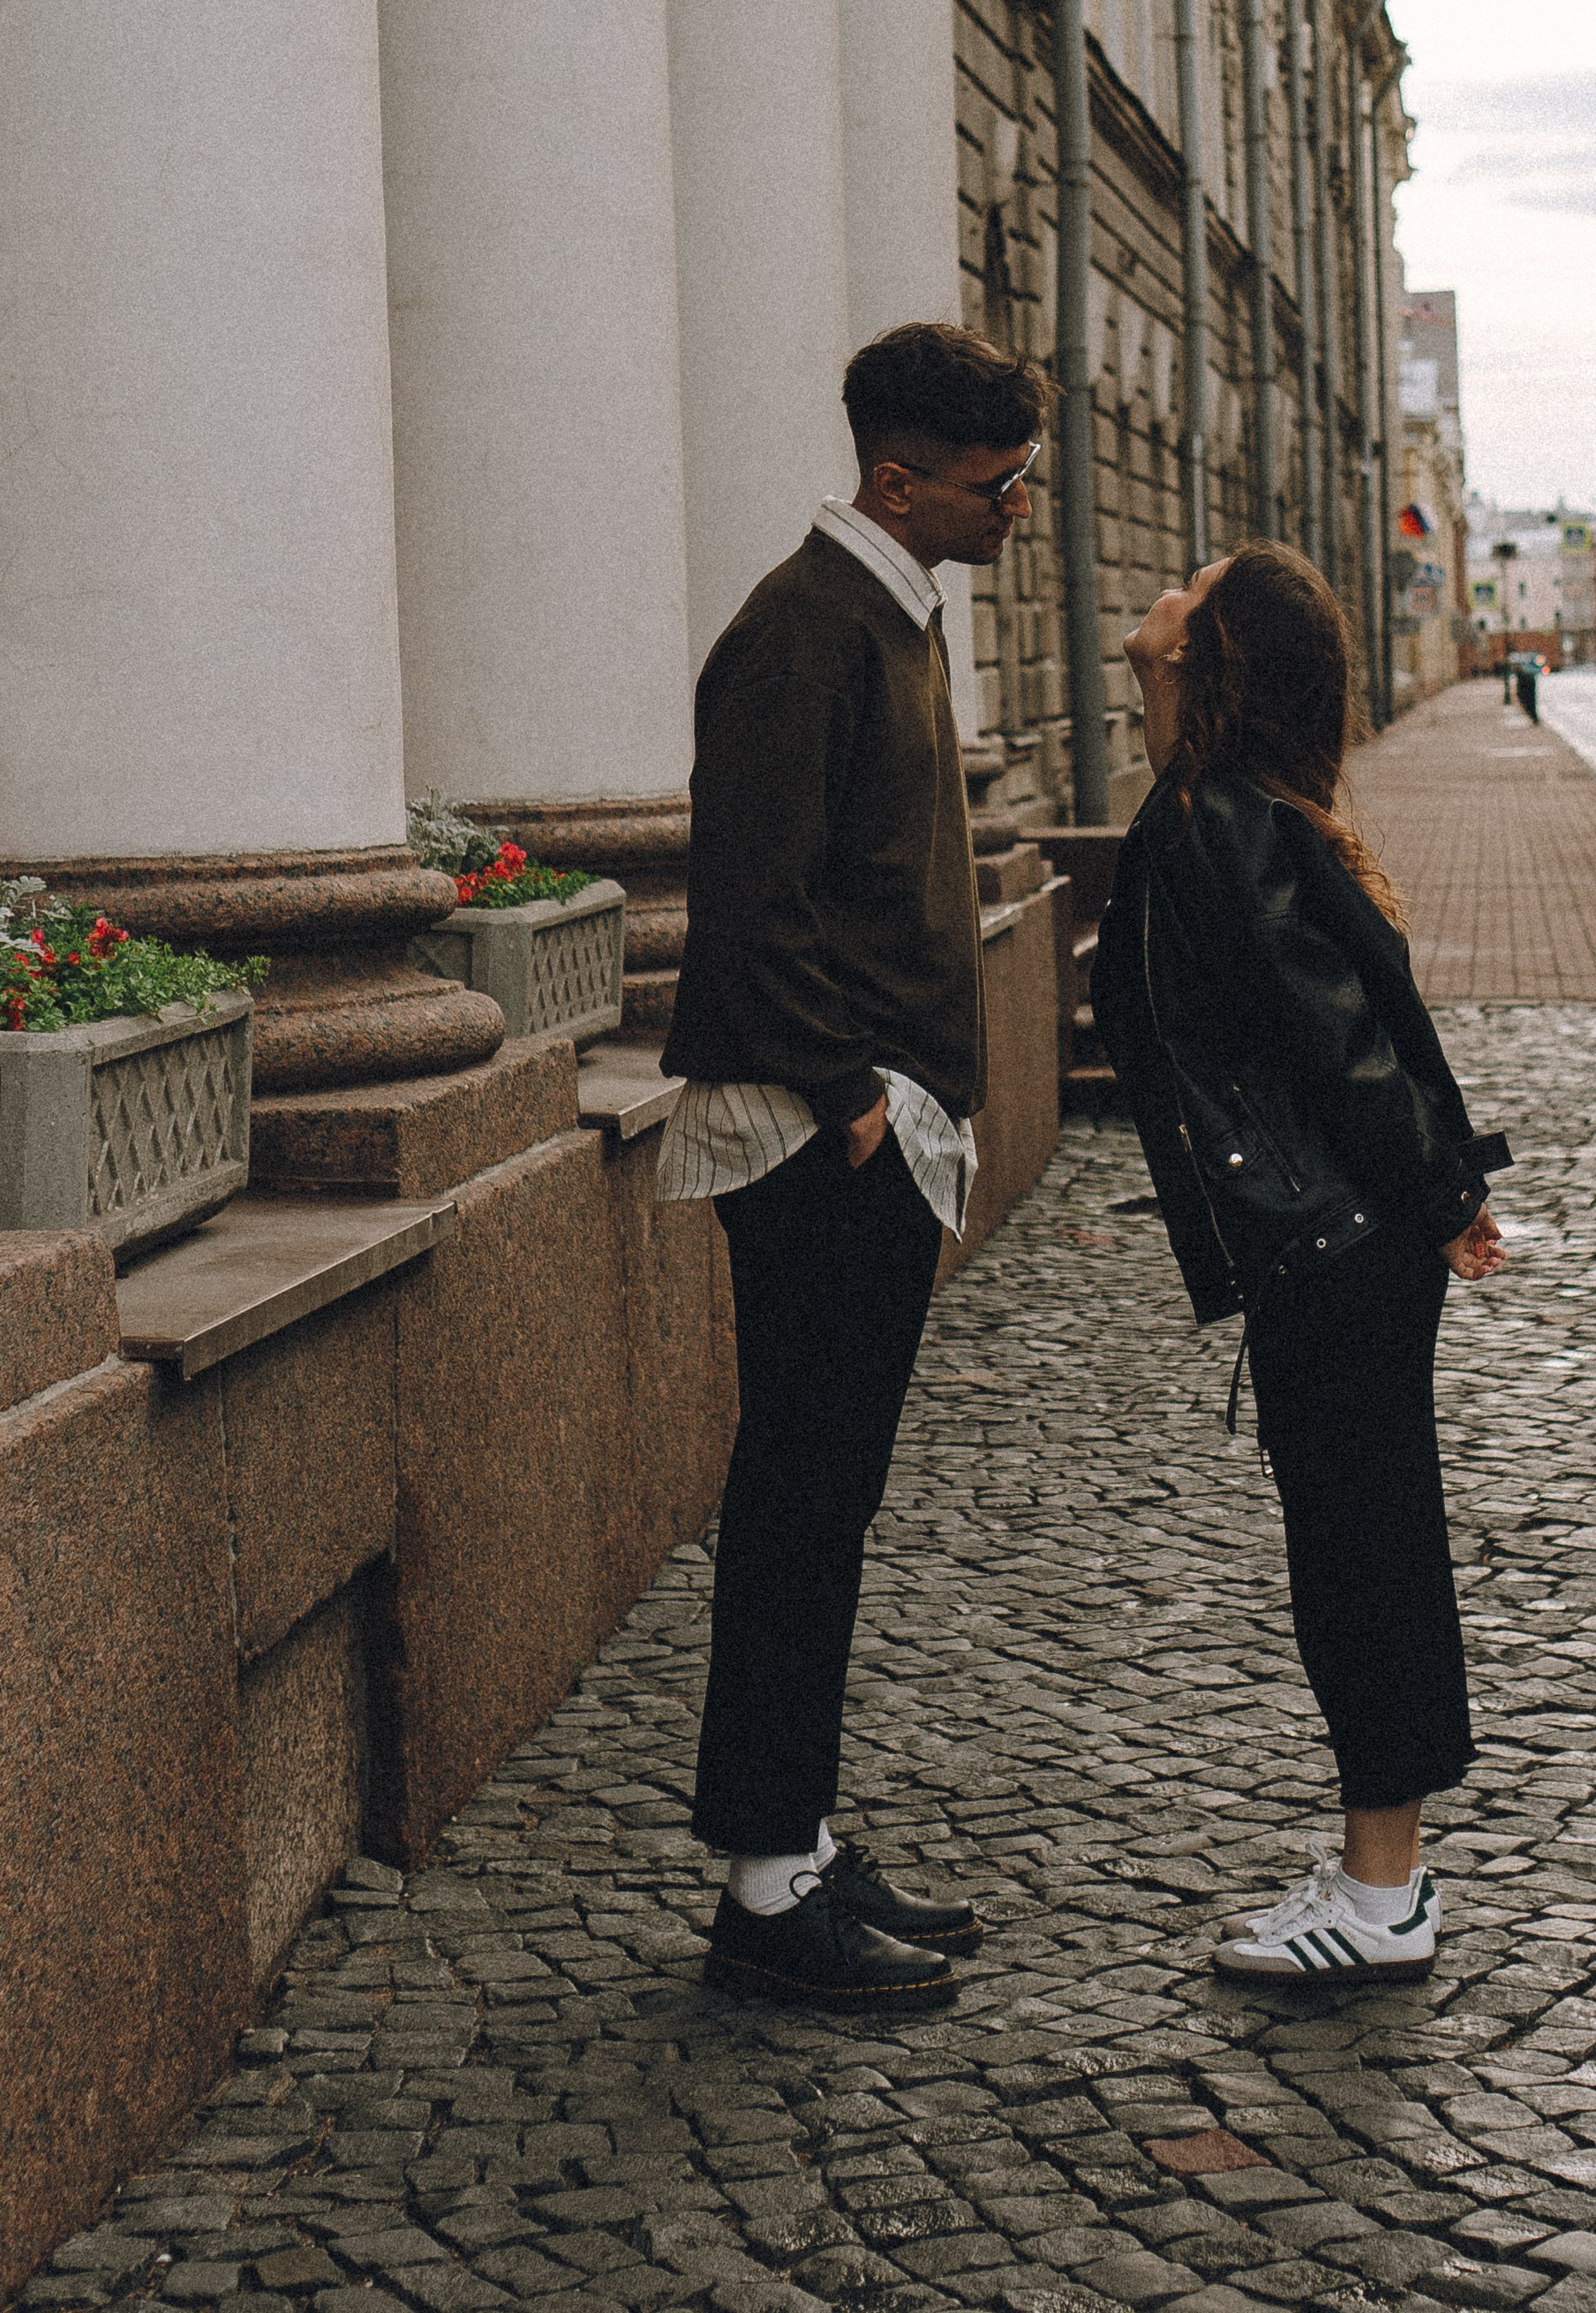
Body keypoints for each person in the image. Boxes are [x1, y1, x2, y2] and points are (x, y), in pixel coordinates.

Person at [658, 320, 1046, 2012]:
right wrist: (853, 1096)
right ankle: (765, 1892)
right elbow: (750, 904)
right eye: (997, 483)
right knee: (799, 1507)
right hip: (819, 1138)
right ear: (899, 480)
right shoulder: (800, 633)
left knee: (829, 1504)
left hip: (865, 1129)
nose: (1018, 506)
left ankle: (798, 1844)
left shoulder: (890, 613)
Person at [1090, 541, 1510, 1983]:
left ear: (1210, 655)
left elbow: (1344, 1044)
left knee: (1363, 1560)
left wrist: (1440, 1195)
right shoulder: (1223, 807)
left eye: (1191, 594)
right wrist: (1439, 1194)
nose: (1162, 597)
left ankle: (1383, 1899)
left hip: (1339, 1245)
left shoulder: (1218, 820)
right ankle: (1377, 1876)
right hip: (1339, 1239)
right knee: (1359, 1550)